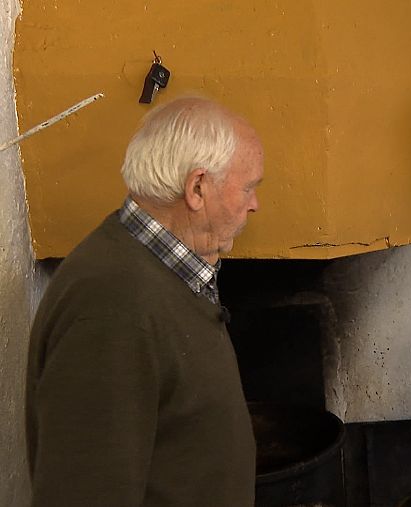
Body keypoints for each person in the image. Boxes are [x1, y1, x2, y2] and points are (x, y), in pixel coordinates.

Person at [26, 97, 264, 507]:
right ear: (197, 188)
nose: (254, 203)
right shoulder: (111, 307)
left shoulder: (164, 269)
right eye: (248, 187)